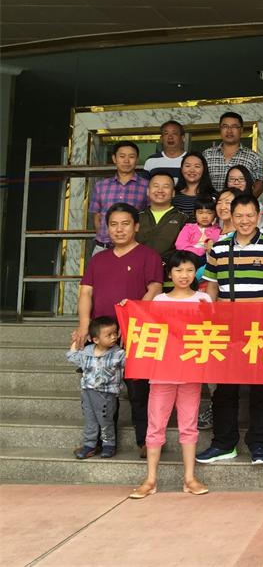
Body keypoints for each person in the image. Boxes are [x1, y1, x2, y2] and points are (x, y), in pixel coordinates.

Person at [197, 193, 263, 465]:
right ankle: (224, 444)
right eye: (239, 216)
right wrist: (210, 319)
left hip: (262, 329)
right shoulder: (219, 247)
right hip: (227, 329)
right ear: (231, 216)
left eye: (250, 215)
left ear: (258, 216)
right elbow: (212, 286)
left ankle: (259, 444)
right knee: (225, 389)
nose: (245, 221)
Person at [74, 204, 162, 455]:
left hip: (135, 333)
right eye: (113, 224)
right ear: (107, 228)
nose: (119, 229)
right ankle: (100, 442)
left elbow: (154, 289)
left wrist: (133, 320)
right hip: (100, 338)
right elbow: (86, 293)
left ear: (136, 226)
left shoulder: (149, 256)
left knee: (138, 392)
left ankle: (145, 442)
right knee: (99, 392)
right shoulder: (98, 259)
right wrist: (84, 326)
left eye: (125, 224)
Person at [129, 251, 211, 498]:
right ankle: (150, 480)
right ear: (169, 274)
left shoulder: (203, 299)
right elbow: (149, 330)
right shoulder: (159, 300)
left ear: (195, 273)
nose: (184, 275)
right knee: (155, 425)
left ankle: (190, 478)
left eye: (189, 270)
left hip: (191, 372)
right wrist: (128, 309)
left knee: (189, 425)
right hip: (162, 372)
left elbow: (211, 331)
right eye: (178, 270)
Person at [67, 316, 125, 460]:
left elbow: (132, 363)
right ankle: (89, 445)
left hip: (107, 395)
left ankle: (109, 445)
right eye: (109, 335)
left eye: (115, 333)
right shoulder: (87, 352)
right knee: (90, 420)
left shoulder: (119, 354)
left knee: (106, 420)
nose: (114, 337)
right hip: (88, 393)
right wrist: (75, 342)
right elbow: (73, 357)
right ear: (95, 339)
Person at [90, 141, 148, 253]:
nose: (126, 161)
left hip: (132, 248)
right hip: (103, 247)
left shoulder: (146, 186)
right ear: (114, 159)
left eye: (131, 157)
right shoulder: (101, 186)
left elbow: (148, 218)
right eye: (122, 156)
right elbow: (97, 217)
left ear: (137, 160)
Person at [135, 171, 187, 275]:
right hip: (138, 273)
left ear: (173, 193)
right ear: (148, 191)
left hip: (170, 275)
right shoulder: (137, 217)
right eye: (156, 186)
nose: (160, 190)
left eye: (165, 186)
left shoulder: (183, 218)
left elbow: (185, 251)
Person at [203, 112, 263, 196]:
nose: (229, 131)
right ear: (220, 129)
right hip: (212, 203)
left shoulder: (253, 157)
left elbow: (259, 185)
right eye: (225, 126)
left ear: (241, 130)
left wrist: (247, 201)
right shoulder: (207, 155)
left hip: (241, 203)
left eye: (234, 126)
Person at [174, 196, 221, 275]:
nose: (204, 216)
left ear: (215, 215)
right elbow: (179, 245)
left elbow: (212, 245)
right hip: (188, 258)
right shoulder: (188, 227)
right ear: (194, 213)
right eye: (200, 212)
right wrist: (200, 251)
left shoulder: (217, 230)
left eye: (209, 213)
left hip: (206, 260)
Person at [172, 152, 214, 220]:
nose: (192, 170)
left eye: (197, 166)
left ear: (204, 169)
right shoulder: (173, 195)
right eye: (187, 166)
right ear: (181, 169)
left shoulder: (213, 196)